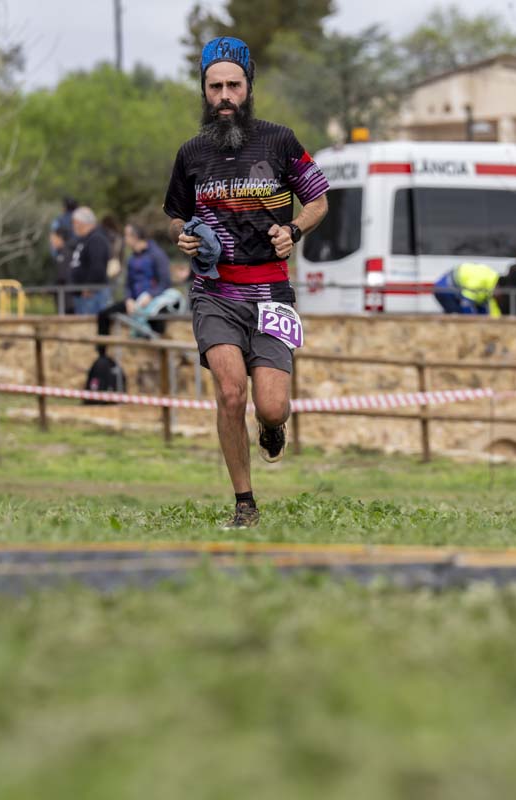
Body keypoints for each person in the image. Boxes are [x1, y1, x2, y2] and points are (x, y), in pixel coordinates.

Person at [164, 35, 330, 529]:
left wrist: (293, 229)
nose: (224, 97)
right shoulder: (191, 153)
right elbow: (174, 216)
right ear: (204, 90)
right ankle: (245, 504)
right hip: (215, 291)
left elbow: (319, 199)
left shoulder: (280, 141)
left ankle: (272, 427)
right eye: (215, 87)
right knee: (231, 392)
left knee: (272, 407)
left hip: (271, 292)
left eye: (233, 85)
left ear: (248, 87)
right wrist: (182, 236)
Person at [97, 223, 174, 340]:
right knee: (103, 315)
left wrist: (150, 295)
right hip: (134, 301)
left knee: (157, 325)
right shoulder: (131, 257)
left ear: (135, 236)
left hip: (153, 301)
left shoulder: (157, 254)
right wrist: (128, 299)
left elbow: (165, 282)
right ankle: (102, 351)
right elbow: (128, 284)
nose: (125, 238)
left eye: (126, 235)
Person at [68, 207, 112, 315]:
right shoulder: (83, 239)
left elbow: (98, 267)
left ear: (82, 223)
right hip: (82, 295)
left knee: (92, 323)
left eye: (74, 223)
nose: (73, 226)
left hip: (92, 295)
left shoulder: (96, 239)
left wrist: (89, 287)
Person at [433, 262, 502, 316]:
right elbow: (467, 304)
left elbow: (493, 312)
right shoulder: (480, 281)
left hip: (458, 290)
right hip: (444, 288)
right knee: (458, 317)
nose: (499, 297)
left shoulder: (493, 286)